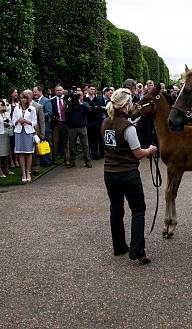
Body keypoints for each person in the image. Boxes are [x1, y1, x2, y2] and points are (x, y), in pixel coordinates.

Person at [102, 88, 157, 264]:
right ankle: (137, 250)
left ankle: (119, 246)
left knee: (116, 209)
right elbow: (138, 153)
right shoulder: (128, 127)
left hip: (110, 172)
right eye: (131, 102)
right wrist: (150, 150)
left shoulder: (105, 122)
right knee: (138, 209)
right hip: (127, 173)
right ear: (126, 105)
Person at [12, 92, 37, 183]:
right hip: (19, 132)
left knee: (29, 153)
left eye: (25, 98)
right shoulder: (16, 108)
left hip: (28, 131)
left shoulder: (32, 109)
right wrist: (18, 120)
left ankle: (28, 172)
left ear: (27, 99)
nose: (23, 100)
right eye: (21, 98)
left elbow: (35, 122)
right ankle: (23, 173)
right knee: (21, 153)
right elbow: (12, 121)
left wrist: (27, 121)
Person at [65, 87, 92, 168]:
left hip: (82, 126)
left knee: (85, 145)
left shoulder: (84, 104)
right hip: (72, 127)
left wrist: (81, 103)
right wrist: (69, 103)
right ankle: (72, 161)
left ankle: (87, 161)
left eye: (79, 96)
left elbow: (89, 111)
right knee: (72, 145)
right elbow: (66, 113)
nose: (77, 97)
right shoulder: (70, 105)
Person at [24, 90, 45, 176]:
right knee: (26, 151)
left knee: (36, 151)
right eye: (25, 95)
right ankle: (27, 168)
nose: (27, 96)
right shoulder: (21, 106)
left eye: (29, 94)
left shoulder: (38, 106)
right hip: (24, 132)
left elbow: (42, 121)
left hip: (35, 132)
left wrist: (42, 134)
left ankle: (36, 168)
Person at [50, 85, 70, 165]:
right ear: (55, 91)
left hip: (66, 123)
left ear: (63, 91)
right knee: (55, 142)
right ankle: (54, 159)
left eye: (60, 90)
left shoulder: (67, 99)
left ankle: (67, 159)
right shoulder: (52, 101)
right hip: (56, 124)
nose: (59, 91)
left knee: (66, 142)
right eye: (57, 90)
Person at [33, 85, 52, 166]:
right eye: (33, 92)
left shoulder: (46, 101)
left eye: (35, 92)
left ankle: (47, 161)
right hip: (37, 126)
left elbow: (49, 112)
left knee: (45, 142)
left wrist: (40, 115)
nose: (34, 93)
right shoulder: (34, 101)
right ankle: (40, 160)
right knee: (38, 142)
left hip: (45, 125)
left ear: (40, 91)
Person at [84, 85, 104, 160]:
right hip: (87, 122)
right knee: (88, 139)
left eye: (94, 89)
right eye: (91, 89)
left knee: (96, 139)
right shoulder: (84, 99)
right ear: (88, 89)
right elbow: (85, 111)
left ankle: (95, 154)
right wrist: (93, 109)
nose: (92, 90)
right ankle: (87, 155)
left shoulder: (97, 99)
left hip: (96, 122)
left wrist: (91, 109)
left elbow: (99, 110)